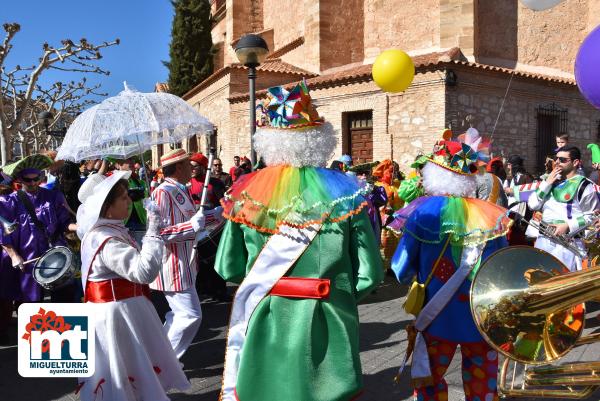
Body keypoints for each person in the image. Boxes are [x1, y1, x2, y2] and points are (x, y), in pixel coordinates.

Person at [215, 82, 383, 401]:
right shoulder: (348, 195)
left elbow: (228, 266)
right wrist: (338, 292)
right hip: (328, 316)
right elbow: (370, 273)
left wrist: (273, 287)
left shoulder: (247, 194)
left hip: (267, 315)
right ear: (321, 140)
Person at [390, 134, 510, 401]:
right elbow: (501, 266)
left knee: (429, 380)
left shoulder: (422, 214)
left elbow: (400, 269)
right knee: (482, 384)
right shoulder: (492, 217)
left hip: (436, 319)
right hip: (480, 319)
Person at [75, 170, 190, 401]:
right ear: (106, 207)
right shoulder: (104, 239)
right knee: (120, 372)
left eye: (128, 196)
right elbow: (143, 271)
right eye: (123, 198)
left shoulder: (110, 231)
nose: (129, 202)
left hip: (126, 309)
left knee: (134, 370)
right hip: (116, 316)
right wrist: (153, 232)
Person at [150, 148, 209, 360]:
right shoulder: (162, 192)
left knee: (179, 316)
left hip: (186, 263)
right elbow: (157, 233)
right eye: (188, 164)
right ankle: (165, 364)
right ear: (178, 167)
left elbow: (193, 221)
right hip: (172, 265)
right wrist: (191, 227)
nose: (191, 168)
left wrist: (216, 215)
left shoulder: (180, 189)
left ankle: (159, 358)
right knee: (190, 316)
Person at [0, 156, 77, 302]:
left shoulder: (53, 196)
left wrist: (80, 227)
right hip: (27, 260)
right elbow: (3, 233)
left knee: (64, 299)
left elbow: (64, 223)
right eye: (28, 180)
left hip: (55, 255)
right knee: (31, 304)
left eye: (37, 178)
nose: (33, 183)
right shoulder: (9, 202)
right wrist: (13, 256)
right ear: (20, 179)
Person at [528, 145, 600, 271]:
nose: (557, 162)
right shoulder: (549, 181)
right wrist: (547, 183)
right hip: (543, 241)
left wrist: (567, 226)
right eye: (556, 159)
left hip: (567, 246)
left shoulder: (585, 186)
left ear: (575, 162)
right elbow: (532, 205)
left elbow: (592, 216)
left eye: (562, 160)